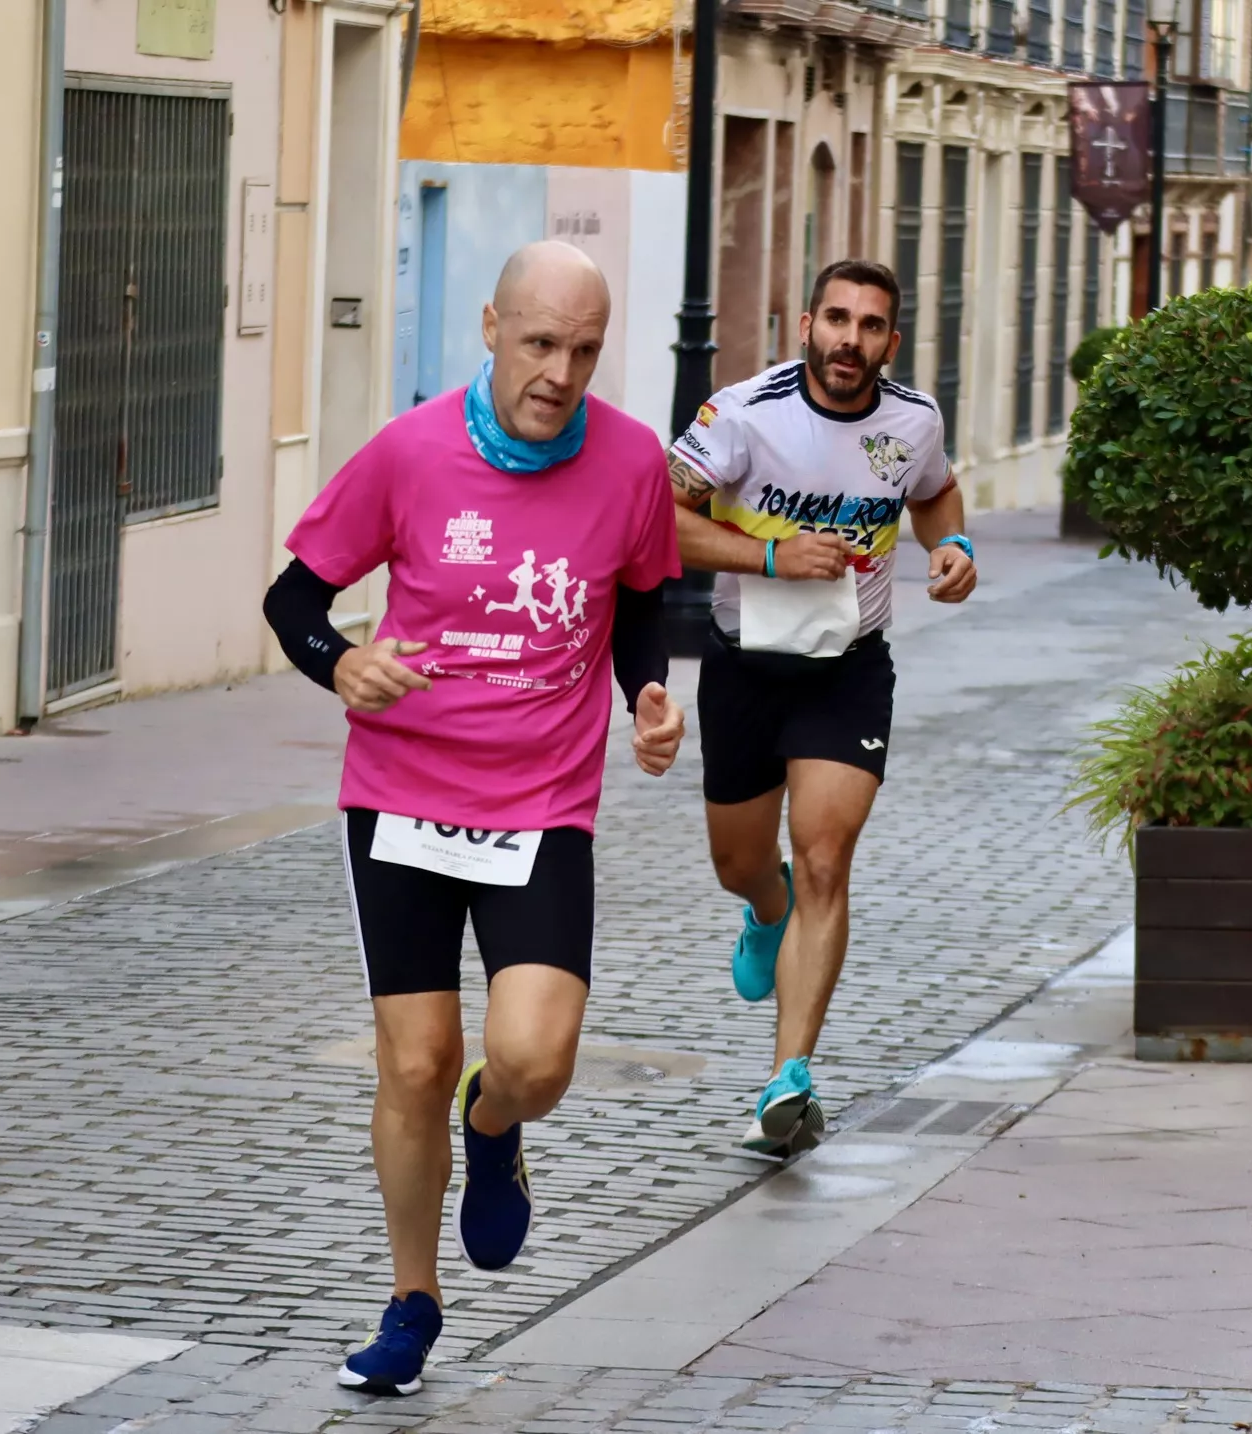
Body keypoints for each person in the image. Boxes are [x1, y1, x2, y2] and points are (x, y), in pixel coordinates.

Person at [261, 242, 686, 1396]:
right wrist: (340, 665)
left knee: (533, 1059)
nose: (560, 373)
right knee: (413, 1061)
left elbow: (643, 602)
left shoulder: (633, 464)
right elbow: (293, 597)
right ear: (492, 325)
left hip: (541, 805)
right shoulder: (408, 454)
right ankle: (410, 1299)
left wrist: (646, 698)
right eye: (540, 343)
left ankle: (494, 1127)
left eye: (584, 351)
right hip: (399, 800)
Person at [666, 259, 976, 1157]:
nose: (851, 340)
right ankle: (766, 909)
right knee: (741, 861)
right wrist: (770, 558)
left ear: (891, 340)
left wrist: (950, 545)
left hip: (847, 669)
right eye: (836, 320)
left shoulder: (912, 422)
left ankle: (787, 1077)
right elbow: (656, 520)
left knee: (827, 858)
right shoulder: (743, 416)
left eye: (871, 325)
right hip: (745, 666)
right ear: (806, 325)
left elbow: (934, 493)